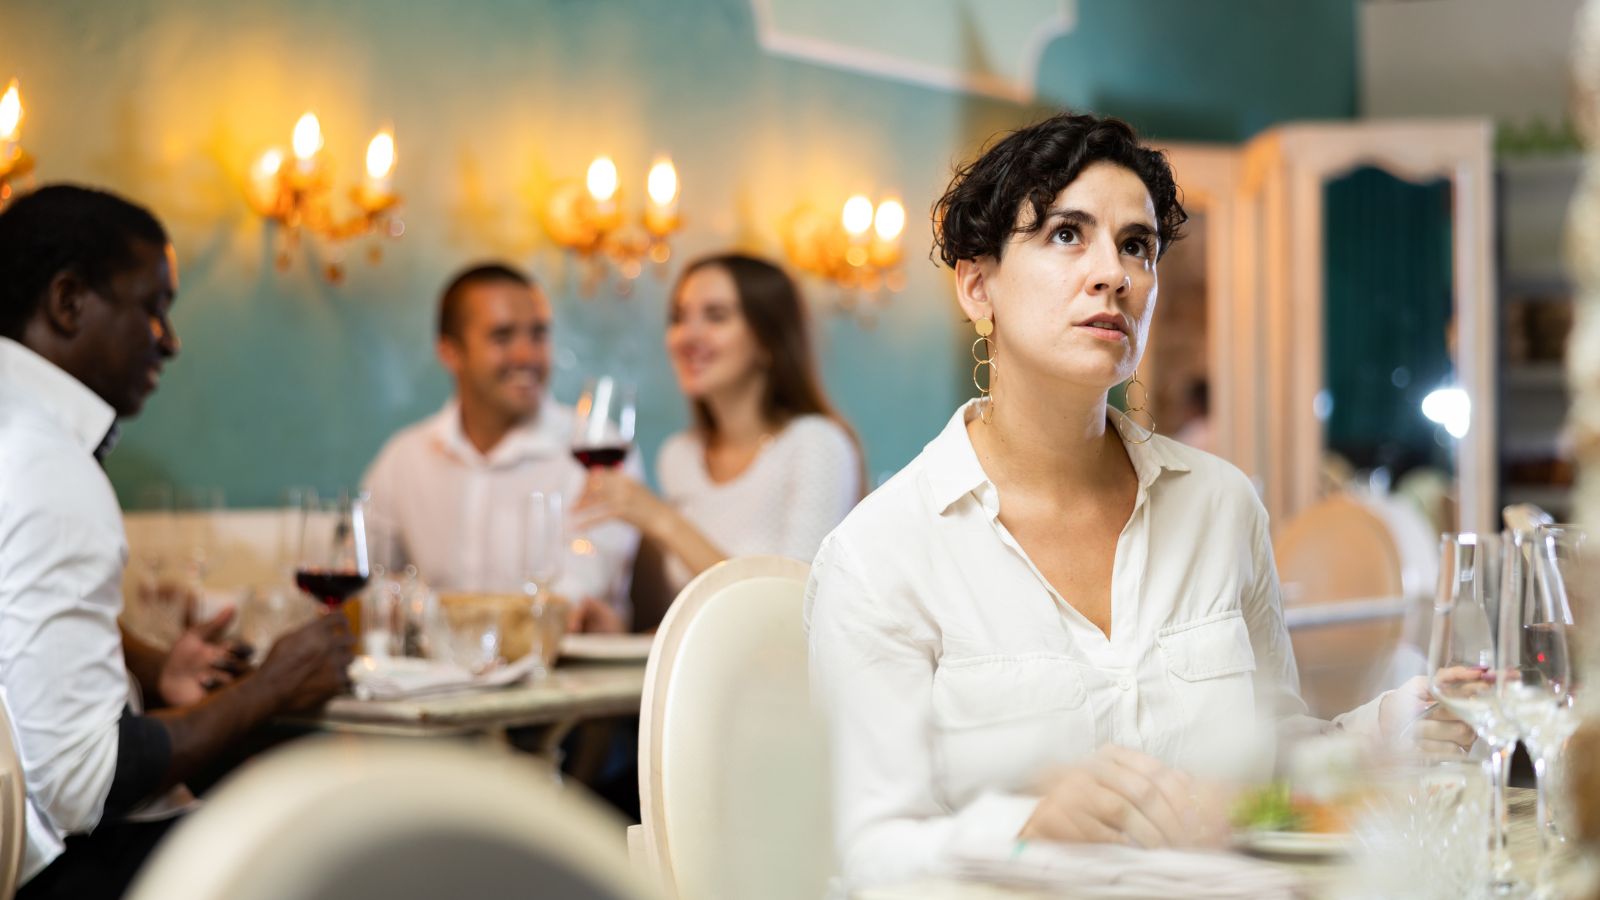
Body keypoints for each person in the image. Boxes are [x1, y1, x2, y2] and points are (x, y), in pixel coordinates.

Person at [803, 113, 1476, 890]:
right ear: (977, 285)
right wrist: (1022, 827)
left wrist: (1383, 734)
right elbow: (864, 855)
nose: (1113, 273)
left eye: (1137, 245)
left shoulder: (1223, 508)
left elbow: (1271, 757)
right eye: (1066, 234)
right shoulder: (879, 556)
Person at [0, 184, 355, 899]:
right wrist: (271, 687)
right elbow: (82, 785)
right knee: (344, 839)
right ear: (69, 301)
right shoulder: (45, 462)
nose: (170, 338)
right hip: (58, 876)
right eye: (152, 307)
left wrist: (157, 669)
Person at [574, 253, 861, 616]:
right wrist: (619, 630)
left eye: (716, 316)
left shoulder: (816, 444)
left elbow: (794, 608)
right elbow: (695, 615)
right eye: (679, 317)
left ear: (767, 340)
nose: (687, 336)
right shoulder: (679, 455)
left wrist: (661, 520)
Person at [362, 263, 641, 631]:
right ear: (450, 352)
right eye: (503, 337)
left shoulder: (596, 447)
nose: (527, 356)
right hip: (433, 677)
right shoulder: (404, 458)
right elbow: (367, 579)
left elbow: (579, 589)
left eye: (539, 335)